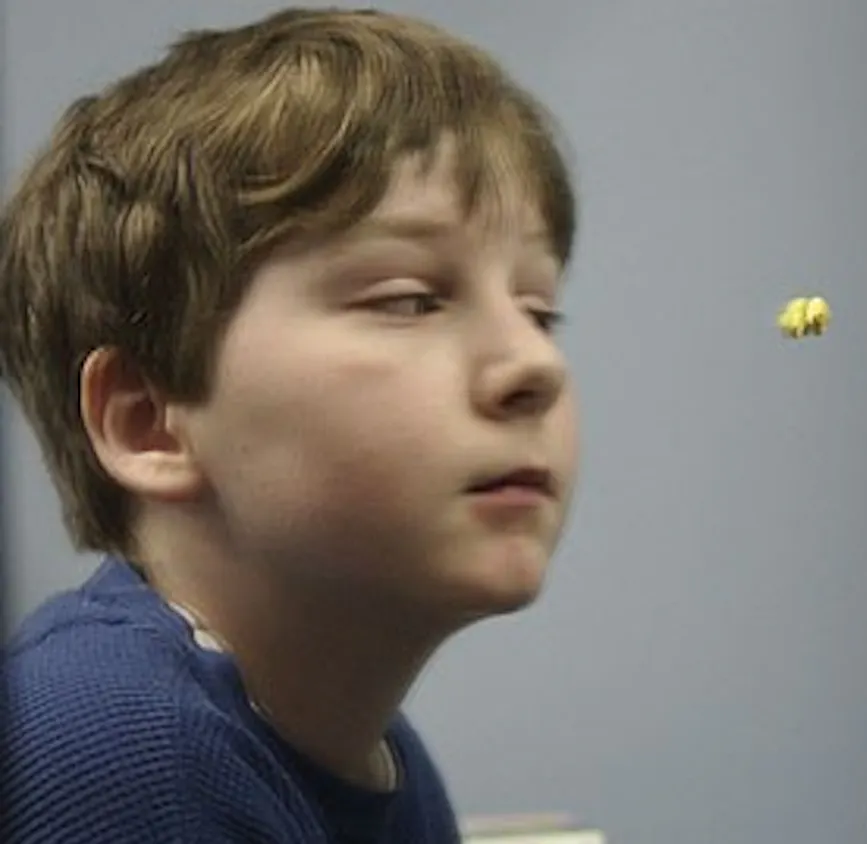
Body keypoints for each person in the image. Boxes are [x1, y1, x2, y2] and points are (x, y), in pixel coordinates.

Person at [0, 7, 578, 842]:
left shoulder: (381, 763)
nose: (536, 365)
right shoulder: (110, 750)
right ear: (149, 422)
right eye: (409, 299)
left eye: (540, 312)